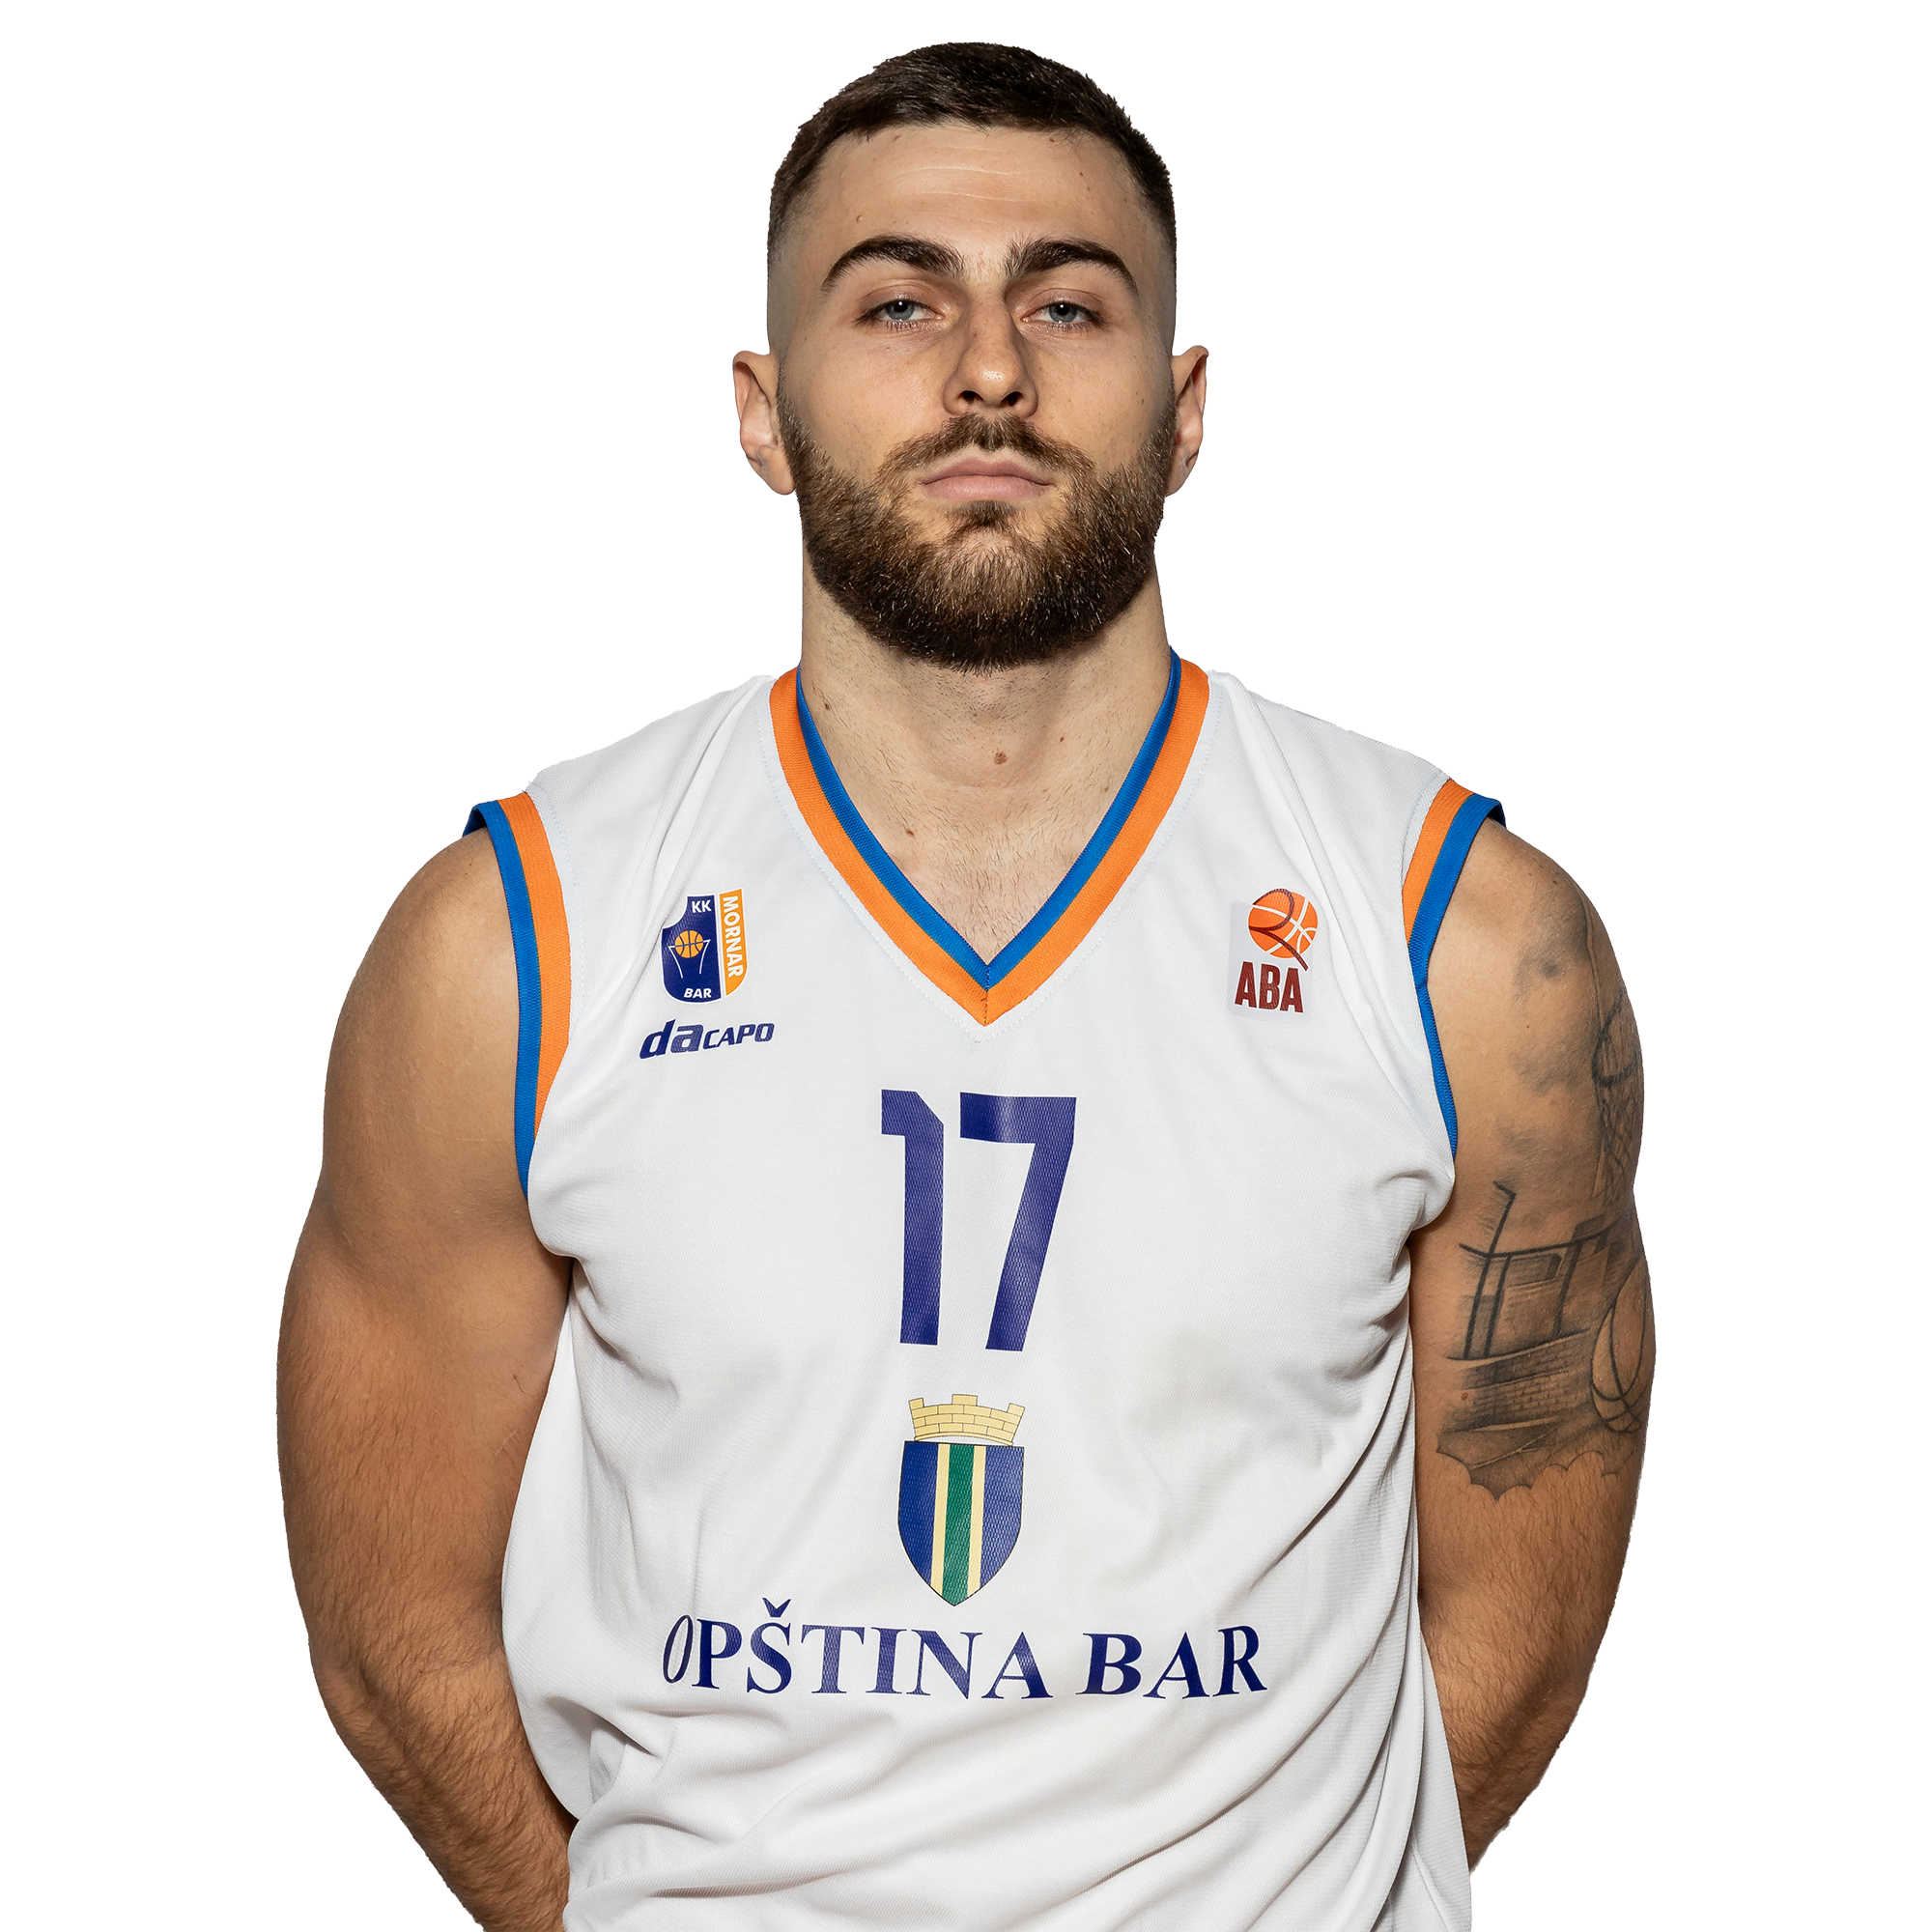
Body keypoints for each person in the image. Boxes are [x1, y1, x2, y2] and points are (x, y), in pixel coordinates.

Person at [279, 41, 1653, 1932]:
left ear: (1186, 411)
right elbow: (391, 1629)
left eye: (1067, 304)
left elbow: (1521, 1622)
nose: (989, 368)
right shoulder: (512, 944)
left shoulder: (1467, 943)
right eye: (898, 302)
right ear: (762, 412)